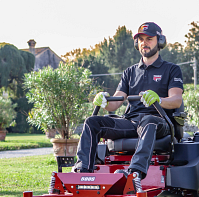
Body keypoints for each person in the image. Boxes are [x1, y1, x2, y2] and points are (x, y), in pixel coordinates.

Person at [73, 22, 184, 179]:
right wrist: (103, 99)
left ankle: (135, 172)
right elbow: (116, 102)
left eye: (149, 39)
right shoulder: (130, 72)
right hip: (132, 122)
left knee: (149, 120)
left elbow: (176, 100)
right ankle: (82, 170)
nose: (144, 43)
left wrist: (158, 99)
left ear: (160, 42)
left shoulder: (171, 69)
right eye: (140, 39)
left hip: (159, 122)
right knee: (92, 122)